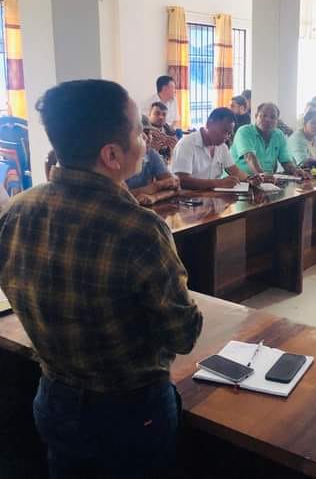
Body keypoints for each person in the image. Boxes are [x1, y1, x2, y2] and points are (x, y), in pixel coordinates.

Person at [0, 79, 203, 476]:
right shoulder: (139, 229)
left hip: (54, 400)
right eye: (138, 131)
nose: (146, 139)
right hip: (130, 415)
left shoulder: (17, 211)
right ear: (111, 155)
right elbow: (184, 334)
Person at [171, 107, 254, 190]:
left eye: (229, 134)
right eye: (224, 131)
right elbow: (182, 181)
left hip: (213, 195)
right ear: (209, 124)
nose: (226, 137)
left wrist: (250, 179)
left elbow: (235, 171)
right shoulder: (186, 144)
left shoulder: (222, 147)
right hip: (189, 196)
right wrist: (219, 183)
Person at [231, 102, 310, 179]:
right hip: (240, 181)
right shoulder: (244, 131)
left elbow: (285, 161)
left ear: (277, 120)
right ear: (256, 116)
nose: (268, 120)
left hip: (269, 180)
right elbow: (249, 156)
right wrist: (262, 176)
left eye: (273, 117)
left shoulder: (279, 135)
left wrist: (295, 170)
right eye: (264, 116)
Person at [126, 116, 180, 206]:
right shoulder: (119, 159)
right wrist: (158, 186)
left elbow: (175, 187)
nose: (148, 138)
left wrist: (154, 197)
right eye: (143, 134)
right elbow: (121, 196)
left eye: (150, 134)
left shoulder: (151, 154)